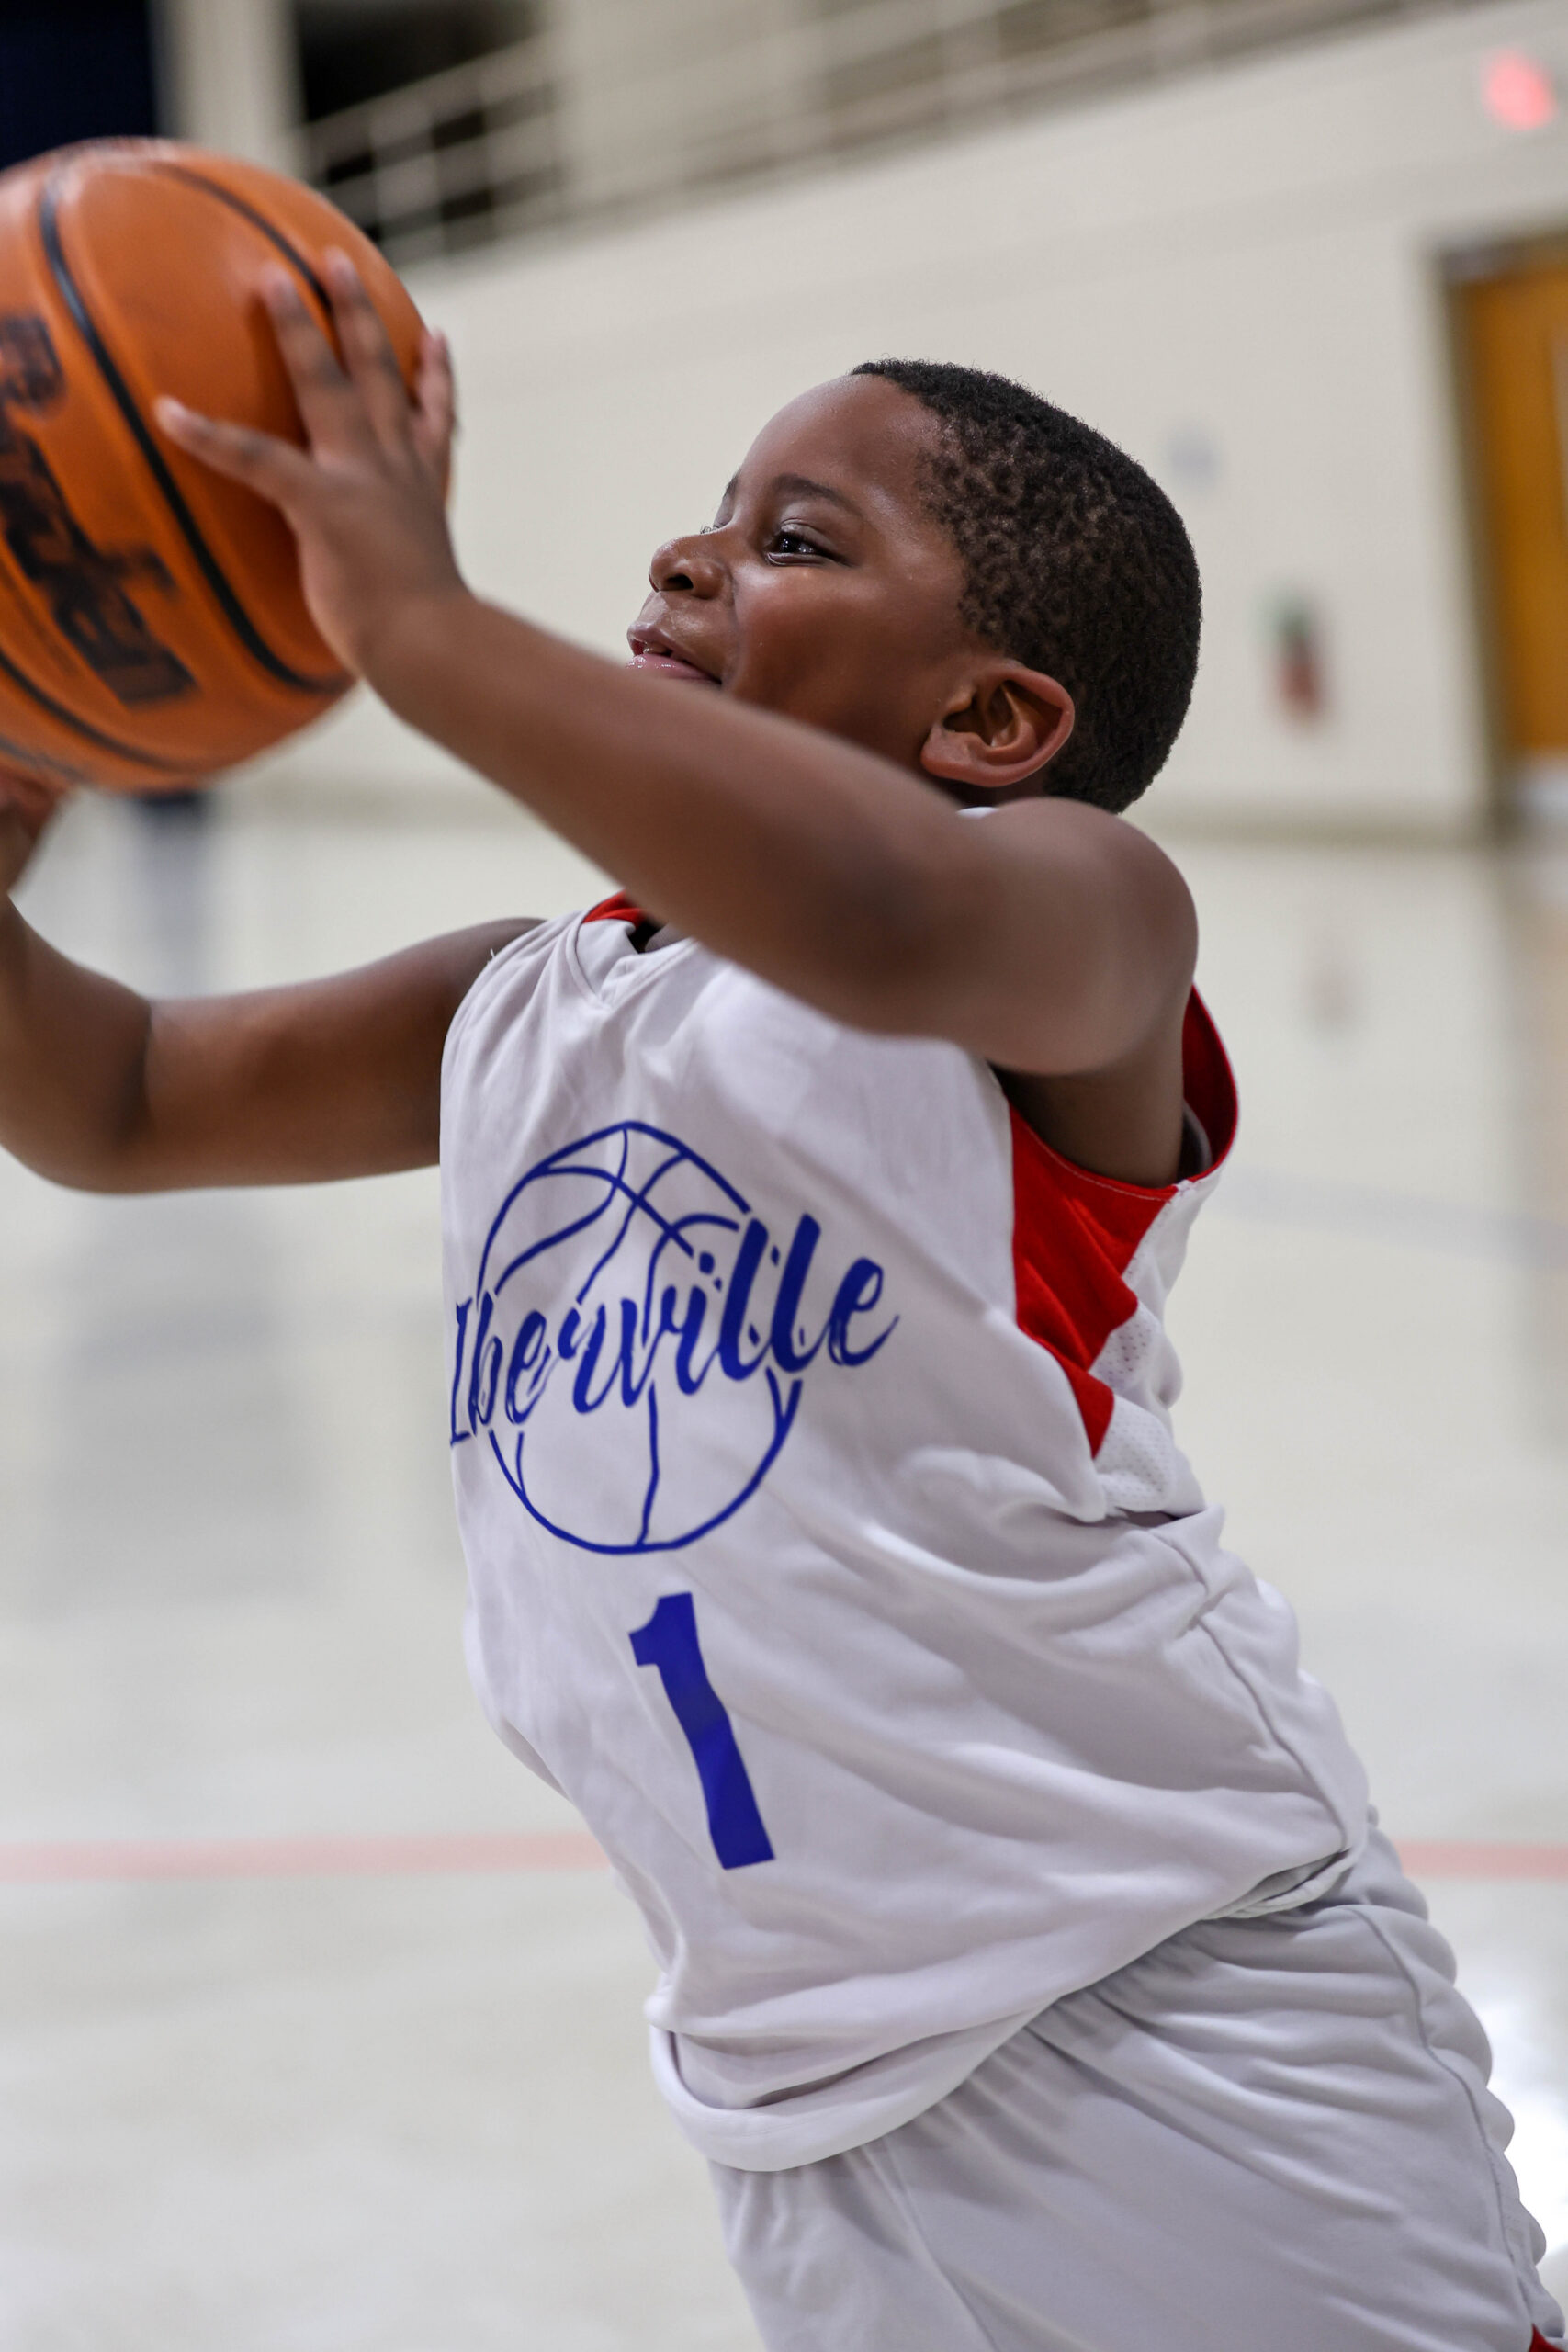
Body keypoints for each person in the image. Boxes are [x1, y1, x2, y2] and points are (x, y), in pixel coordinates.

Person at [0, 254, 1560, 2352]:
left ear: (989, 724)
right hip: (786, 2089)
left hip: (1171, 2003)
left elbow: (878, 910)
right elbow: (110, 1098)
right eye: (713, 513)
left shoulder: (1076, 910)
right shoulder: (520, 1004)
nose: (689, 556)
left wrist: (426, 628)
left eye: (794, 541)